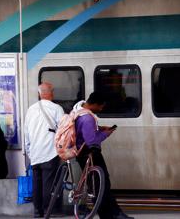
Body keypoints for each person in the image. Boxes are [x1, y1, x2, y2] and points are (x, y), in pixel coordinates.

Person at [75, 92, 133, 219]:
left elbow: (83, 129)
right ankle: (110, 214)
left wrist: (100, 128)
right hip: (90, 154)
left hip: (81, 153)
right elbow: (92, 141)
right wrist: (106, 133)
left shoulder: (78, 109)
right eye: (101, 106)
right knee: (101, 184)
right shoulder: (88, 118)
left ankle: (114, 212)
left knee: (99, 184)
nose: (101, 109)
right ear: (95, 104)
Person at [24, 82, 65, 218]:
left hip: (35, 153)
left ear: (39, 94)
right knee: (48, 183)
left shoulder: (30, 110)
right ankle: (49, 210)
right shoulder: (56, 108)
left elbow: (26, 133)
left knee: (37, 183)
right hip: (50, 152)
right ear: (51, 93)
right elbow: (63, 129)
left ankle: (37, 212)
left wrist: (29, 152)